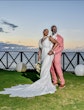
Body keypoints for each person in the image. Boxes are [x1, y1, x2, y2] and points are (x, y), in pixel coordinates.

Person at [0, 29, 58, 98]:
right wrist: (39, 58)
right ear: (43, 32)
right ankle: (45, 82)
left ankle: (45, 83)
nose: (47, 32)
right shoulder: (40, 40)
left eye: (48, 31)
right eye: (45, 31)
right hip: (43, 55)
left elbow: (56, 43)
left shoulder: (49, 37)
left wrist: (52, 50)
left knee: (45, 68)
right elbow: (40, 50)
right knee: (43, 69)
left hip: (49, 54)